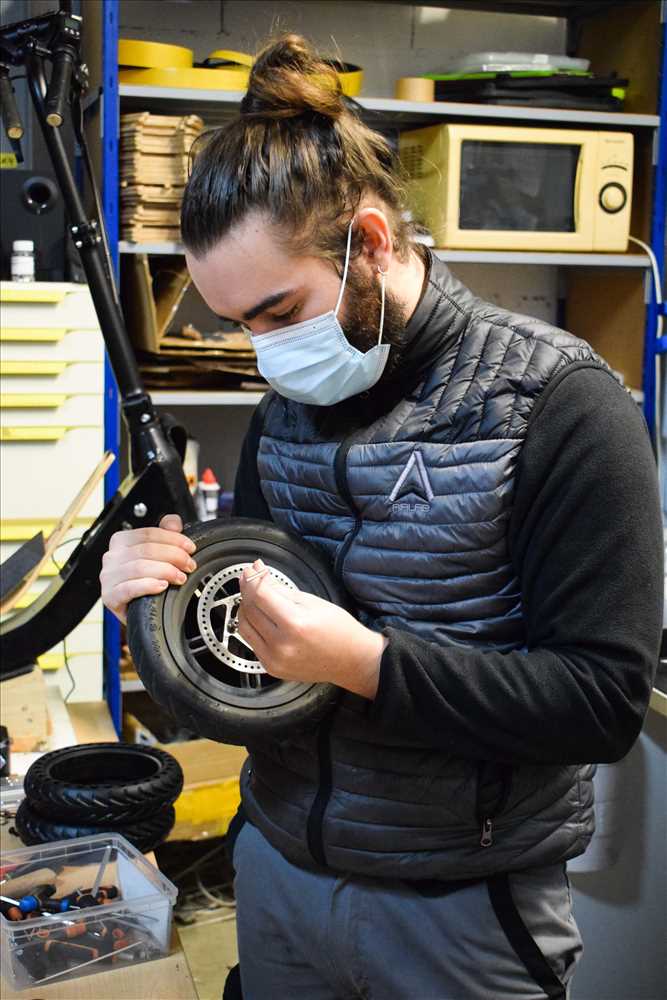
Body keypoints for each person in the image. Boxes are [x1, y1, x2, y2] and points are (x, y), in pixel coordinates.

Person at [100, 34, 663, 1000]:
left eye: (279, 312)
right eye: (239, 324)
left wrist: (364, 663)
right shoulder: (286, 410)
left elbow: (600, 703)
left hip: (462, 909)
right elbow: (251, 688)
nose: (263, 352)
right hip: (278, 871)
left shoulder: (559, 405)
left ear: (369, 243)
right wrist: (160, 616)